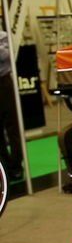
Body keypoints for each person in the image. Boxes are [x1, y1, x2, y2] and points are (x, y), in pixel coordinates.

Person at [0, 30, 23, 181]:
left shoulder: (3, 36)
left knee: (12, 126)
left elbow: (7, 56)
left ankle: (17, 166)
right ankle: (5, 166)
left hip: (4, 82)